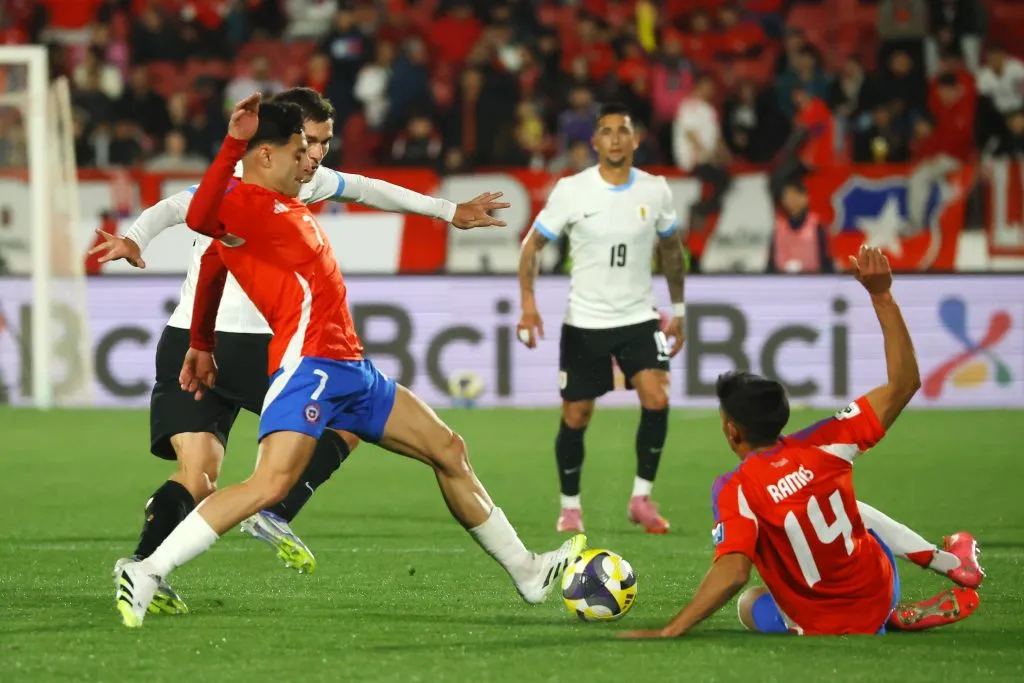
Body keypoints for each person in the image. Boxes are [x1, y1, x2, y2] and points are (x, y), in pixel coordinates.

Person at [113, 94, 586, 628]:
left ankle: (527, 571)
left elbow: (218, 266)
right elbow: (196, 214)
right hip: (309, 363)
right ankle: (150, 569)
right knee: (267, 486)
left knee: (449, 449)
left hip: (351, 366)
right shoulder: (241, 203)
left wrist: (200, 341)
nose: (311, 162)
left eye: (317, 147)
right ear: (265, 154)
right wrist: (230, 144)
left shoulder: (287, 197)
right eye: (301, 150)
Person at [619, 246, 983, 638]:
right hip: (880, 588)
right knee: (846, 507)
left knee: (749, 604)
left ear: (731, 431)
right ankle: (938, 569)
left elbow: (734, 572)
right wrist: (882, 296)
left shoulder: (735, 489)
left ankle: (877, 616)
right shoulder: (825, 442)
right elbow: (905, 383)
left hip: (818, 625)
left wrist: (671, 629)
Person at [518, 102, 685, 535]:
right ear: (595, 142)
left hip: (639, 319)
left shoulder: (655, 190)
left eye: (622, 130)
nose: (614, 138)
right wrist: (528, 303)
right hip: (585, 322)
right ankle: (570, 507)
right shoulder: (573, 190)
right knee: (576, 415)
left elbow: (671, 249)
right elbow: (531, 246)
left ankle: (641, 499)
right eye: (606, 131)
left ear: (635, 139)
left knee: (658, 397)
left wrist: (680, 310)